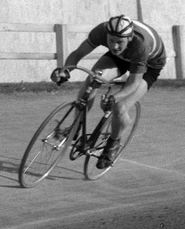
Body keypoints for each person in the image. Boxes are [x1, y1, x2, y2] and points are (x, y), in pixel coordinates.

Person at [51, 13, 166, 169]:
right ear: (107, 35)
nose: (115, 45)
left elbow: (133, 83)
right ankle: (76, 126)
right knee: (93, 79)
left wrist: (115, 97)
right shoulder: (102, 31)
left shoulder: (140, 45)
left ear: (130, 37)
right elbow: (78, 54)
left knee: (120, 106)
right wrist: (65, 70)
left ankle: (113, 144)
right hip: (121, 57)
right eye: (111, 41)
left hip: (149, 65)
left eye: (120, 42)